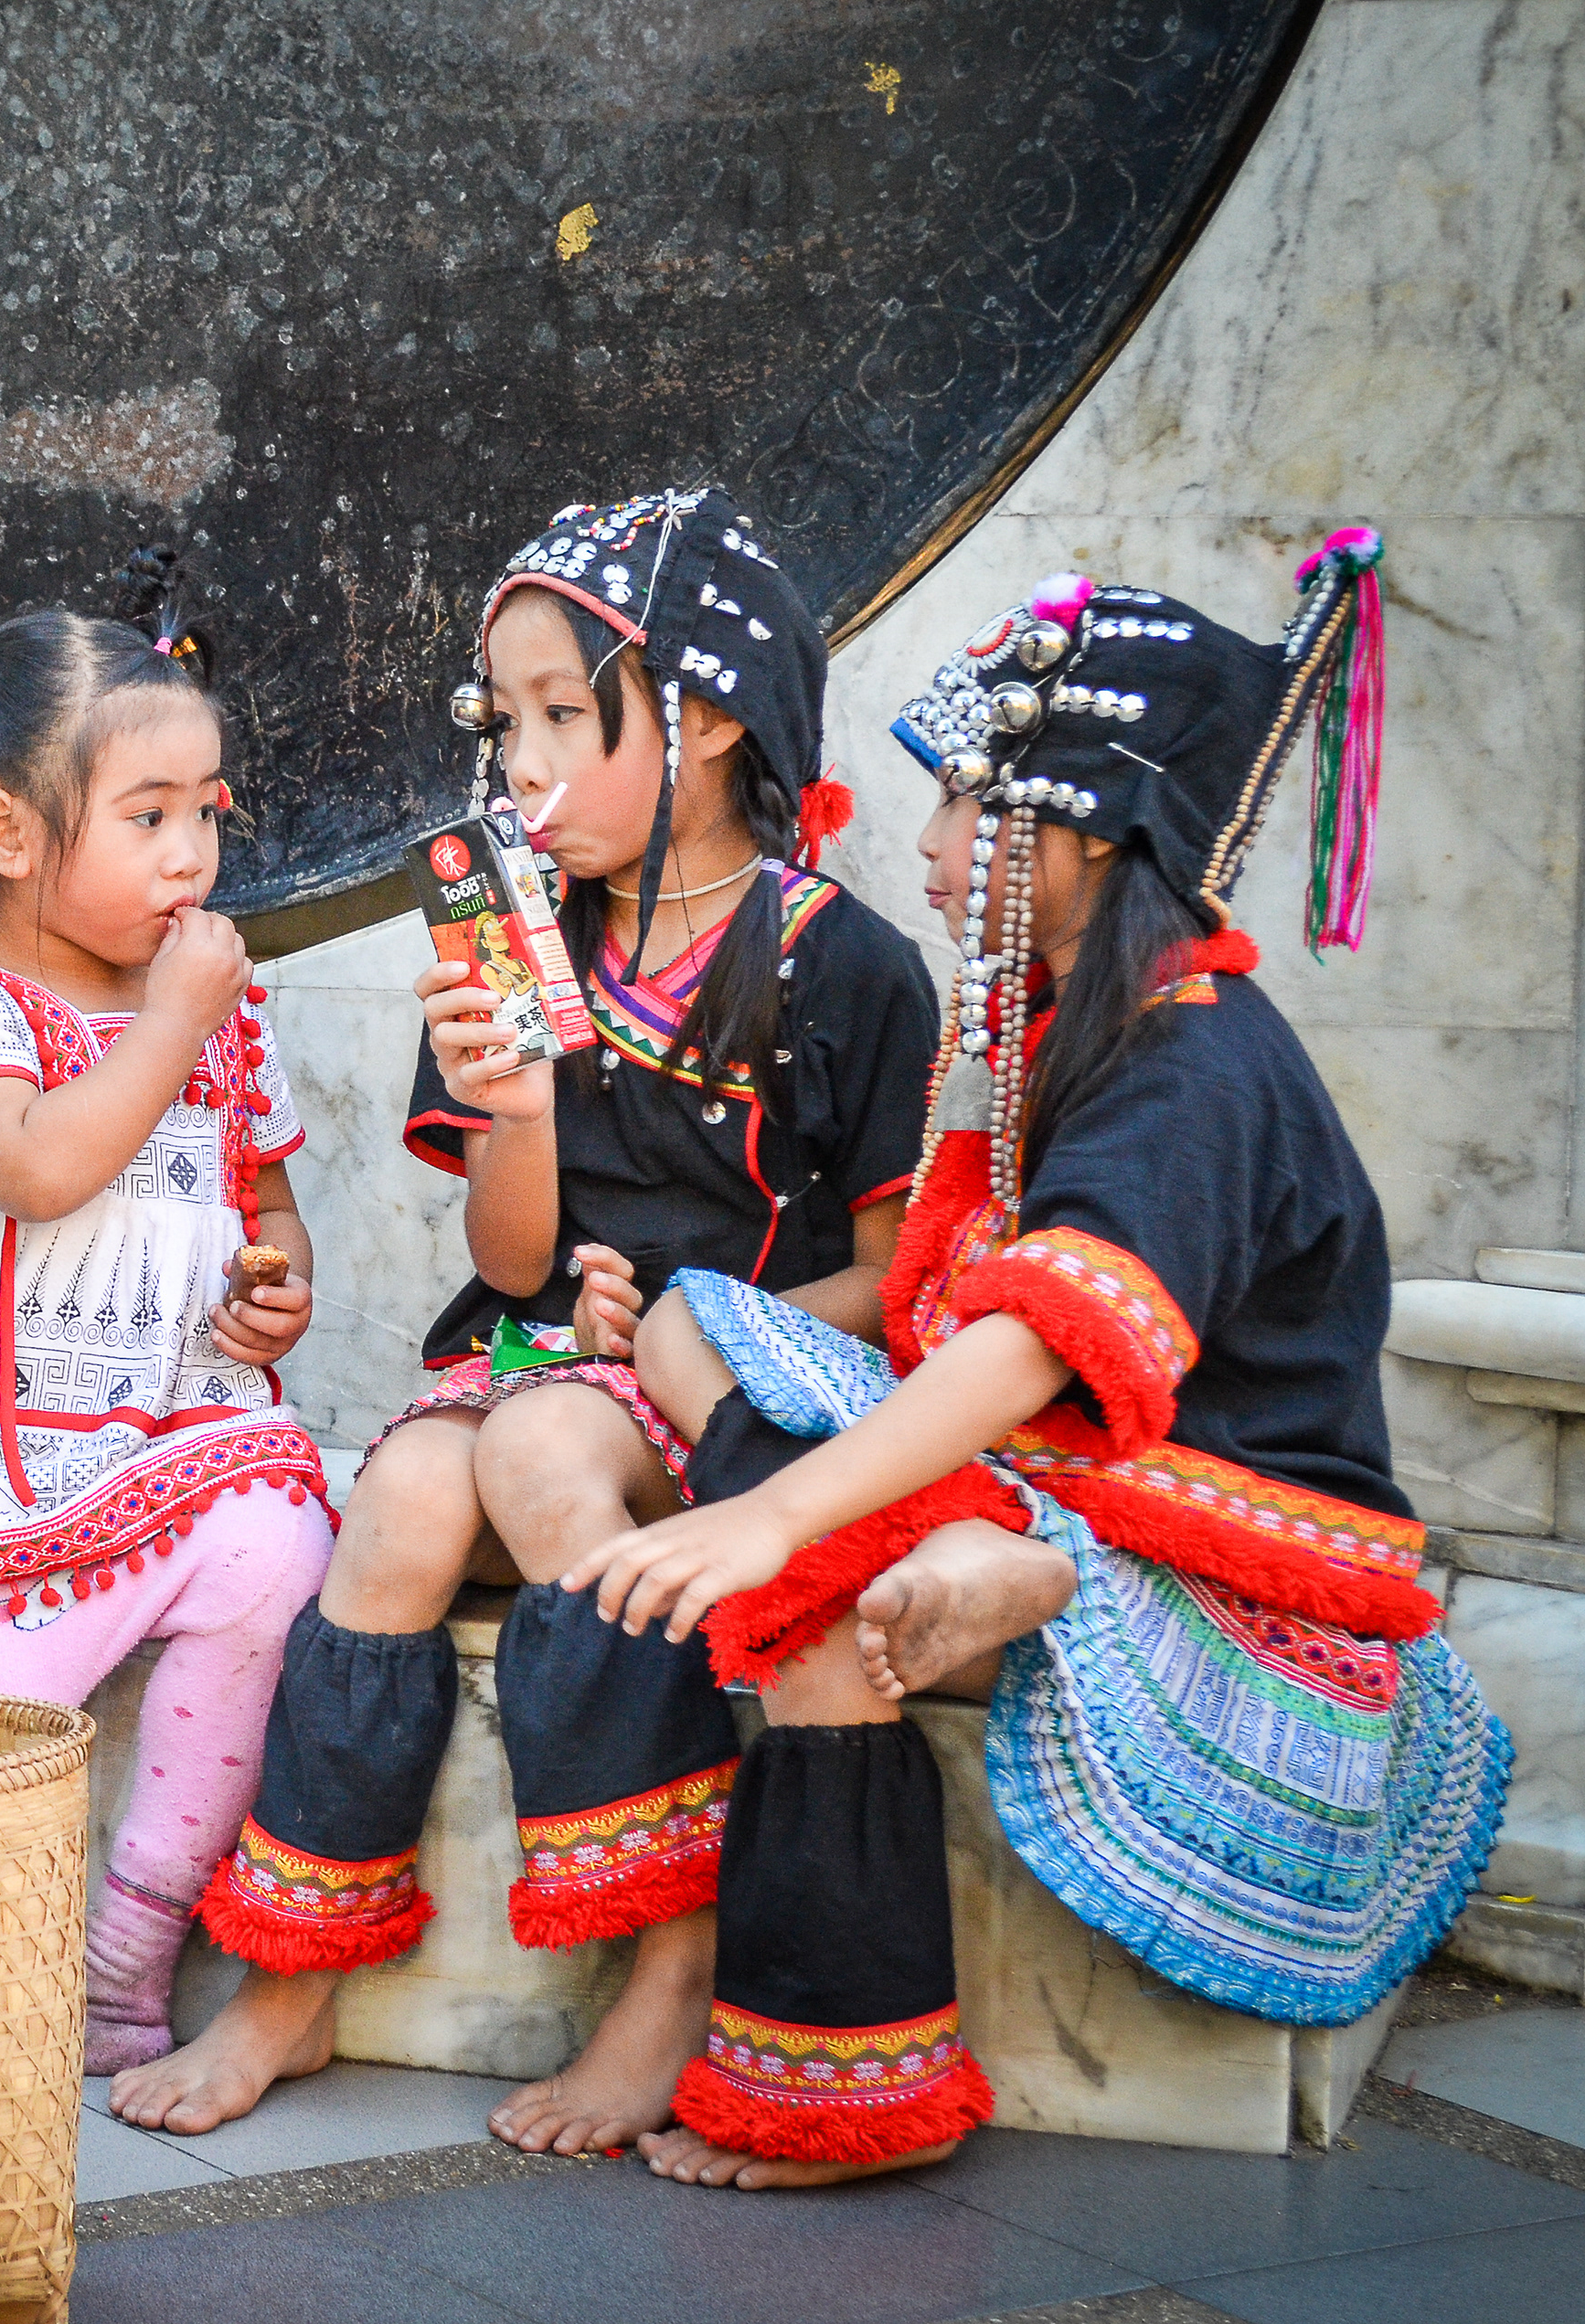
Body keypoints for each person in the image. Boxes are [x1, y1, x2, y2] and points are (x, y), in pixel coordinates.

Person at [566, 534, 1512, 2187]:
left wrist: (775, 1521)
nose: (927, 847)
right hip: (1055, 1468)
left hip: (1217, 1534)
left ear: (1078, 830)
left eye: (961, 808)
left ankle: (839, 2085)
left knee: (817, 1621)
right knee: (698, 1313)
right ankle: (964, 1547)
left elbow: (1024, 1345)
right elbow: (938, 1310)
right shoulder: (1058, 1015)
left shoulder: (1192, 1064)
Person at [119, 490, 937, 2142]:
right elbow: (511, 1269)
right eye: (508, 722)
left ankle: (671, 1971)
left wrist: (700, 1321)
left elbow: (898, 1279)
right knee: (412, 1489)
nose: (524, 766)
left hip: (718, 1393)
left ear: (702, 724)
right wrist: (523, 1102)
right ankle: (292, 1982)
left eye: (571, 714)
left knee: (550, 1449)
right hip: (531, 1342)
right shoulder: (508, 935)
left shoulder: (849, 966)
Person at [0, 561, 328, 2075]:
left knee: (283, 1548)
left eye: (209, 810)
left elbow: (269, 1209)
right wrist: (171, 1024)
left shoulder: (224, 1020)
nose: (192, 854)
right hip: (0, 1475)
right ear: (9, 834)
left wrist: (274, 1292)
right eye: (146, 817)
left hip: (187, 1443)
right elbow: (40, 1169)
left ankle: (136, 1936)